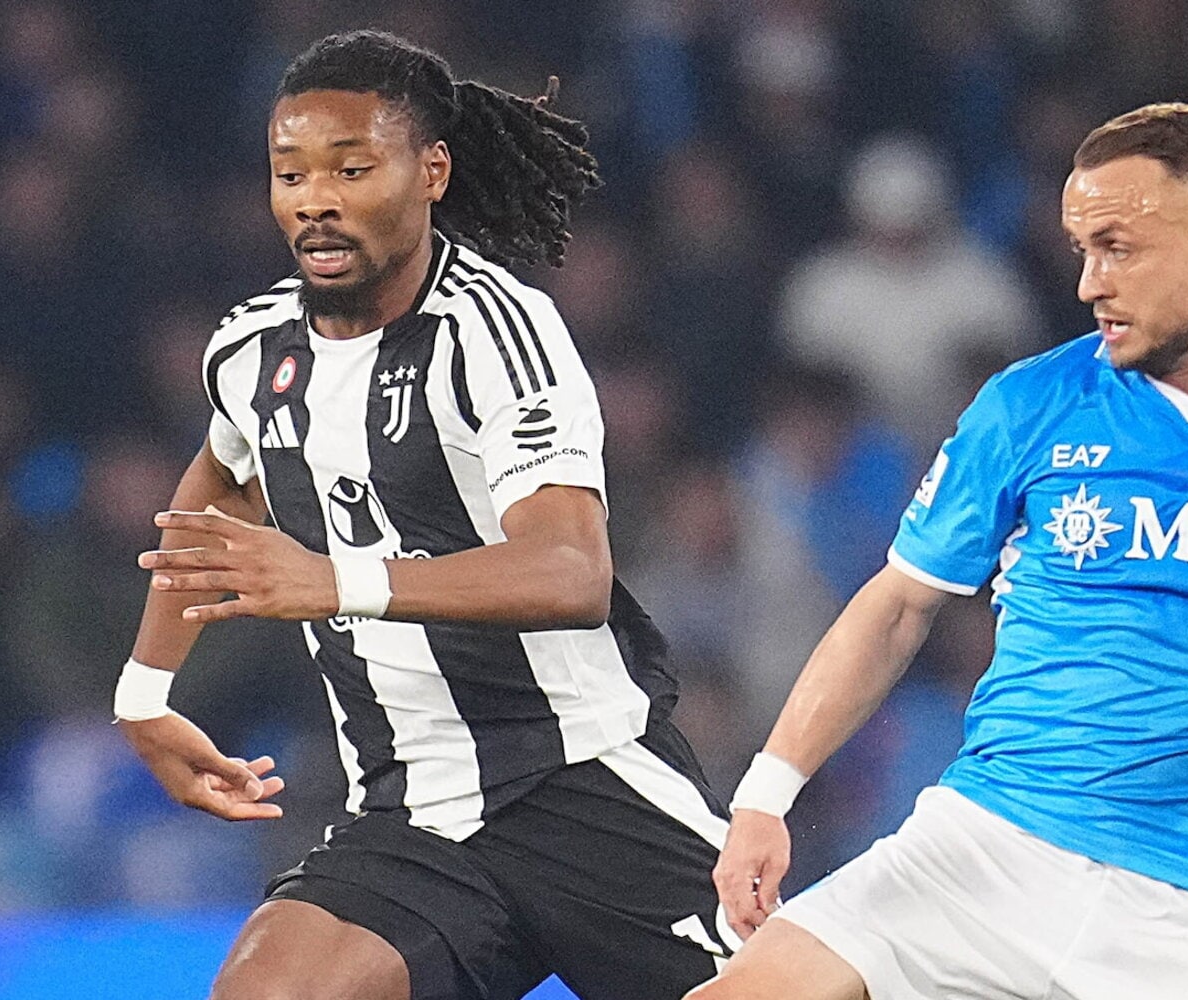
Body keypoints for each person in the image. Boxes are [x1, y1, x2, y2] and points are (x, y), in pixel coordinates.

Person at [690, 103, 1188, 1000]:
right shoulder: (1030, 402)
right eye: (1081, 250)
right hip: (983, 846)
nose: (1088, 284)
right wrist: (766, 794)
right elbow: (899, 604)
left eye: (1117, 248)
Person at [111, 31, 733, 1000]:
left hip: (587, 783)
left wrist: (335, 580)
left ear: (430, 171)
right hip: (412, 812)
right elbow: (222, 487)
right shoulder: (250, 347)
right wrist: (145, 694)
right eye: (290, 173)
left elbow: (570, 572)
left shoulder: (496, 332)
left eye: (350, 169)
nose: (314, 199)